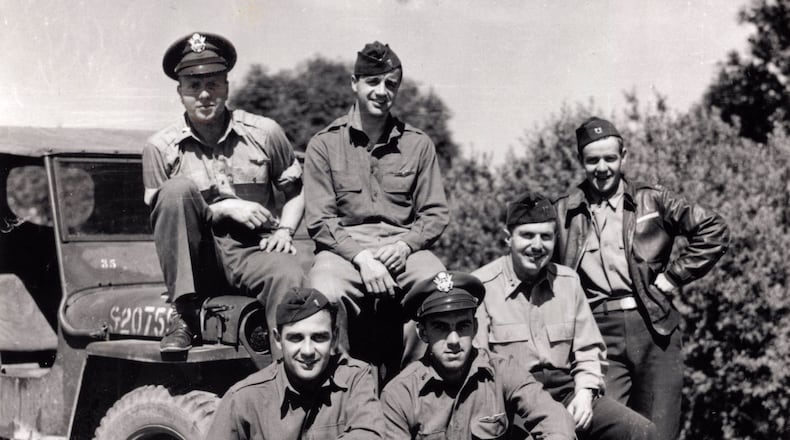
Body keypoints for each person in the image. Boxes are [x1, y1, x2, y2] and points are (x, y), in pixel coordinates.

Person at [553, 117, 730, 439]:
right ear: (581, 161)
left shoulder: (652, 200)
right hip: (596, 335)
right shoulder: (563, 213)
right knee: (600, 428)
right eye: (592, 160)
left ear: (624, 157)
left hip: (654, 329)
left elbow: (713, 229)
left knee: (659, 433)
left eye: (610, 158)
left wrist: (674, 277)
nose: (602, 167)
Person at [143, 32, 304, 353]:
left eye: (213, 84)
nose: (204, 94)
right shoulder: (160, 148)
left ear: (227, 86)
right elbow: (162, 215)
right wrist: (225, 207)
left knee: (290, 275)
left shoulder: (265, 133)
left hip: (254, 250)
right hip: (198, 259)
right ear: (180, 92)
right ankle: (184, 315)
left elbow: (296, 192)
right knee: (176, 190)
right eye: (193, 86)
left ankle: (288, 380)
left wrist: (286, 230)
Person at [303, 41, 449, 374]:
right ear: (354, 83)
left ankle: (417, 388)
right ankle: (341, 389)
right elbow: (321, 221)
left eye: (390, 84)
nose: (382, 91)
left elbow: (435, 213)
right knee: (325, 292)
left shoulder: (418, 144)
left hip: (404, 248)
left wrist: (405, 245)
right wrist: (362, 258)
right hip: (344, 252)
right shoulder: (324, 144)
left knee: (439, 285)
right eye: (373, 82)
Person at [474, 191, 656, 440]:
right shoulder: (482, 286)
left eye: (546, 237)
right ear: (508, 239)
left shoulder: (568, 282)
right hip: (511, 401)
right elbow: (479, 366)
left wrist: (585, 392)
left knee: (641, 432)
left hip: (566, 392)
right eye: (527, 235)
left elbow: (588, 349)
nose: (537, 246)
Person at [381, 271, 576, 440]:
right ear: (423, 333)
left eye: (462, 326)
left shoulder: (502, 371)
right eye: (440, 327)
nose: (454, 340)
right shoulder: (400, 394)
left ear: (475, 327)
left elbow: (554, 417)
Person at [206, 287, 384, 439]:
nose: (307, 350)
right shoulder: (243, 399)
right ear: (277, 339)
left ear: (335, 338)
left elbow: (369, 434)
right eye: (296, 338)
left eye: (318, 337)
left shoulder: (354, 379)